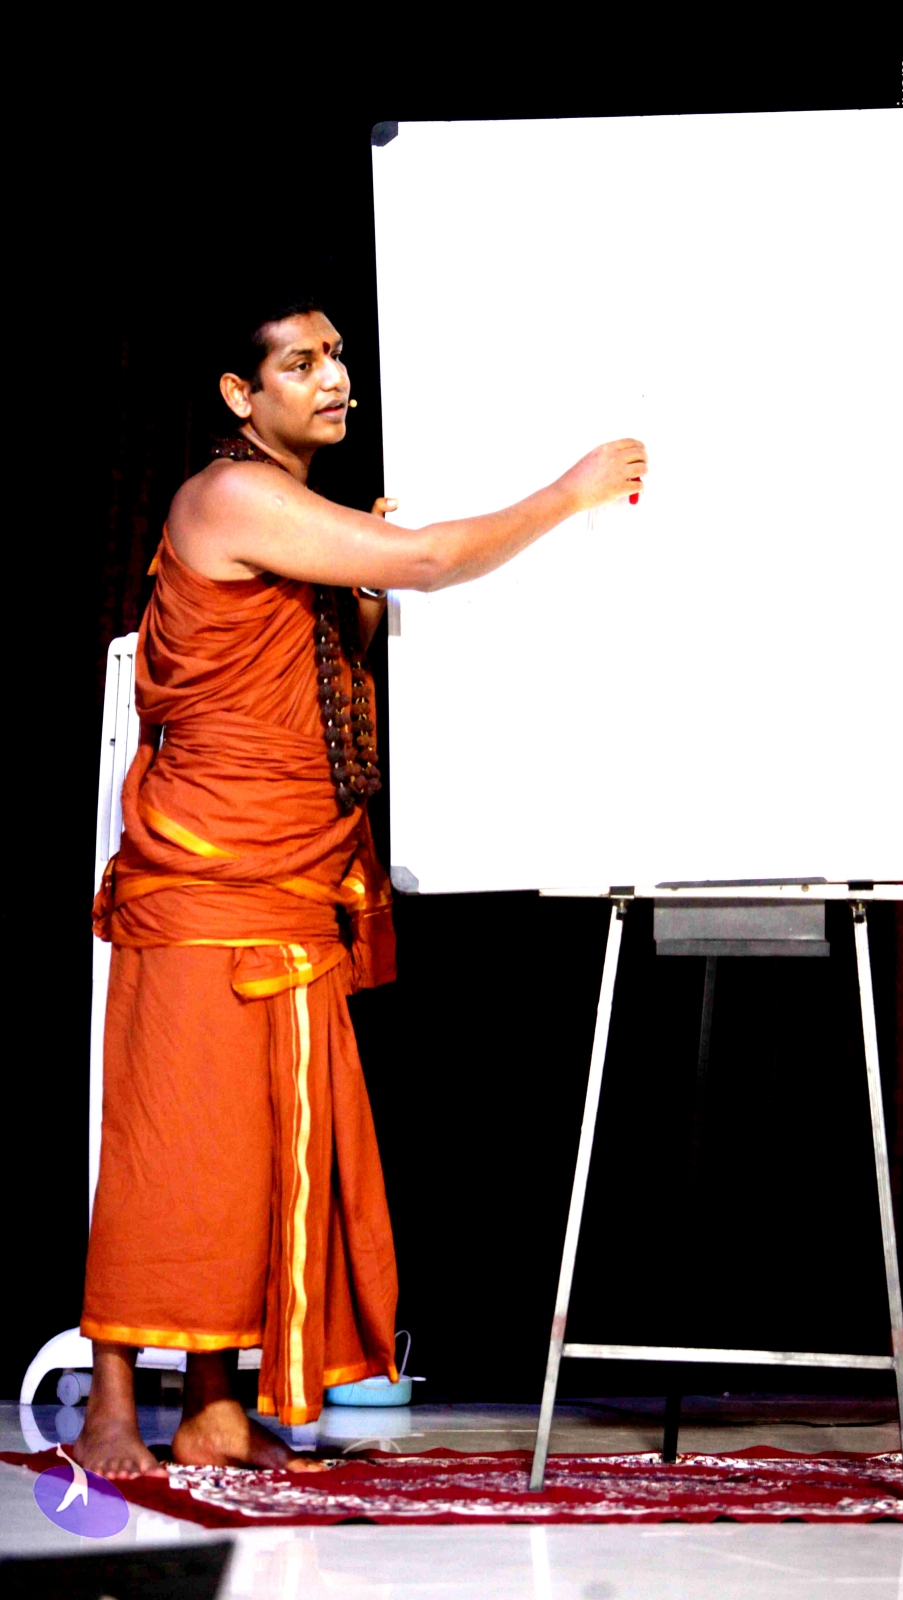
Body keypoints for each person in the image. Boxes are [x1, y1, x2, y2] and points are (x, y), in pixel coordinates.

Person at [74, 293, 647, 1478]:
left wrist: (361, 594)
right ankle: (114, 1404)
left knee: (249, 1152)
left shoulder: (293, 518)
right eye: (301, 363)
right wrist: (571, 492)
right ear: (241, 396)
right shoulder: (229, 495)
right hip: (208, 873)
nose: (334, 379)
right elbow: (430, 559)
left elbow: (308, 673)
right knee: (174, 1143)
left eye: (336, 357)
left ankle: (214, 1404)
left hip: (284, 871)